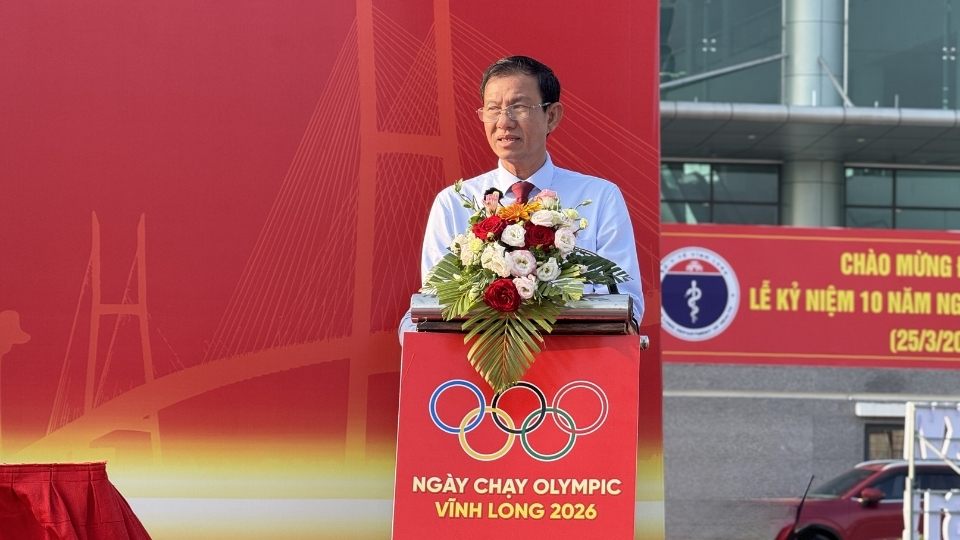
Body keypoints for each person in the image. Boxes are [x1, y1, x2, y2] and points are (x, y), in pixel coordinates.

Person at [401, 55, 644, 338]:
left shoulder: (600, 197)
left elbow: (628, 304)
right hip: (478, 369)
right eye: (493, 109)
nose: (504, 122)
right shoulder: (454, 202)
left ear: (551, 116)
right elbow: (436, 302)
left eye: (518, 107)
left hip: (576, 368)